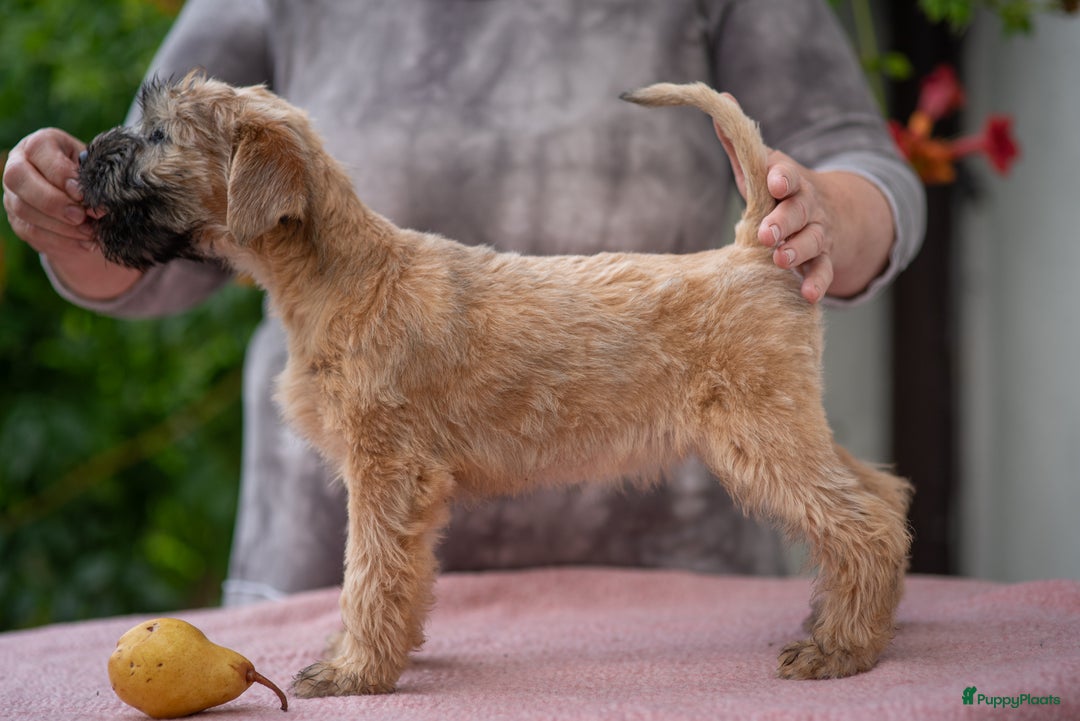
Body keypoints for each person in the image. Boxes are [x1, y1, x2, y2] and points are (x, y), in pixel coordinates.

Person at [3, 0, 925, 606]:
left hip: (669, 579)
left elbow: (857, 150)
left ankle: (865, 557)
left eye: (154, 135)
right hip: (314, 572)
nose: (125, 147)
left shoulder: (270, 174)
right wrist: (72, 225)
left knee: (795, 475)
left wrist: (829, 216)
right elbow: (160, 227)